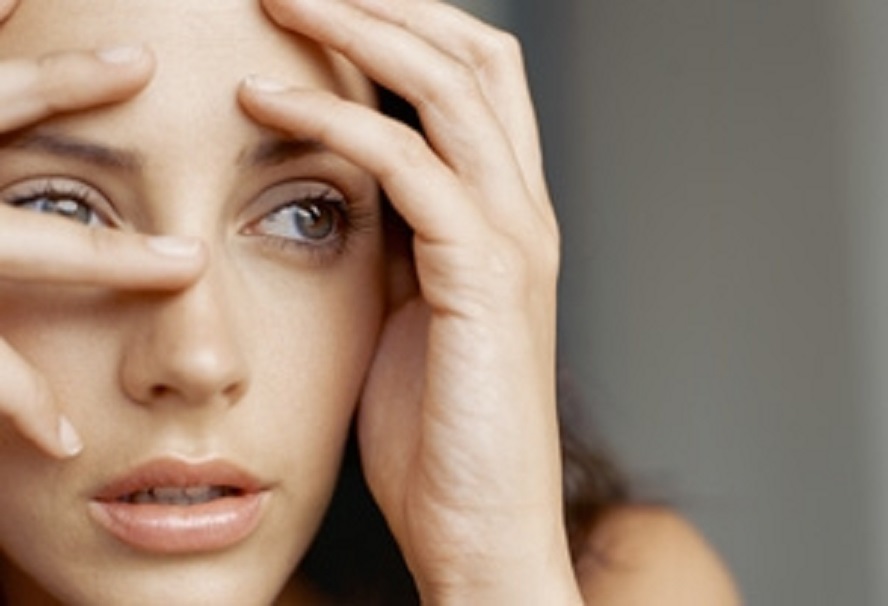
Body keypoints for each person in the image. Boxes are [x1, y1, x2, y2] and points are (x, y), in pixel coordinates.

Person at [0, 0, 740, 603]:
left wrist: (494, 580)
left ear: (404, 264)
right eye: (55, 209)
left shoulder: (620, 587)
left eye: (304, 216)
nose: (198, 360)